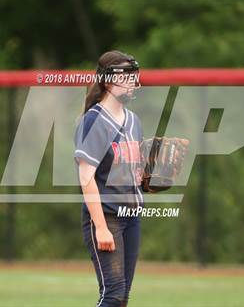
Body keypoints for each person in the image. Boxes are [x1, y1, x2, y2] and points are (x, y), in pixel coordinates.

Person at [74, 50, 144, 307]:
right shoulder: (94, 121)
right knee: (112, 296)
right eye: (124, 76)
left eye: (133, 76)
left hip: (131, 216)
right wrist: (101, 227)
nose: (131, 82)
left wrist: (151, 178)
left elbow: (131, 173)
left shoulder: (134, 120)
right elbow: (86, 179)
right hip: (107, 216)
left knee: (122, 298)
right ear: (107, 81)